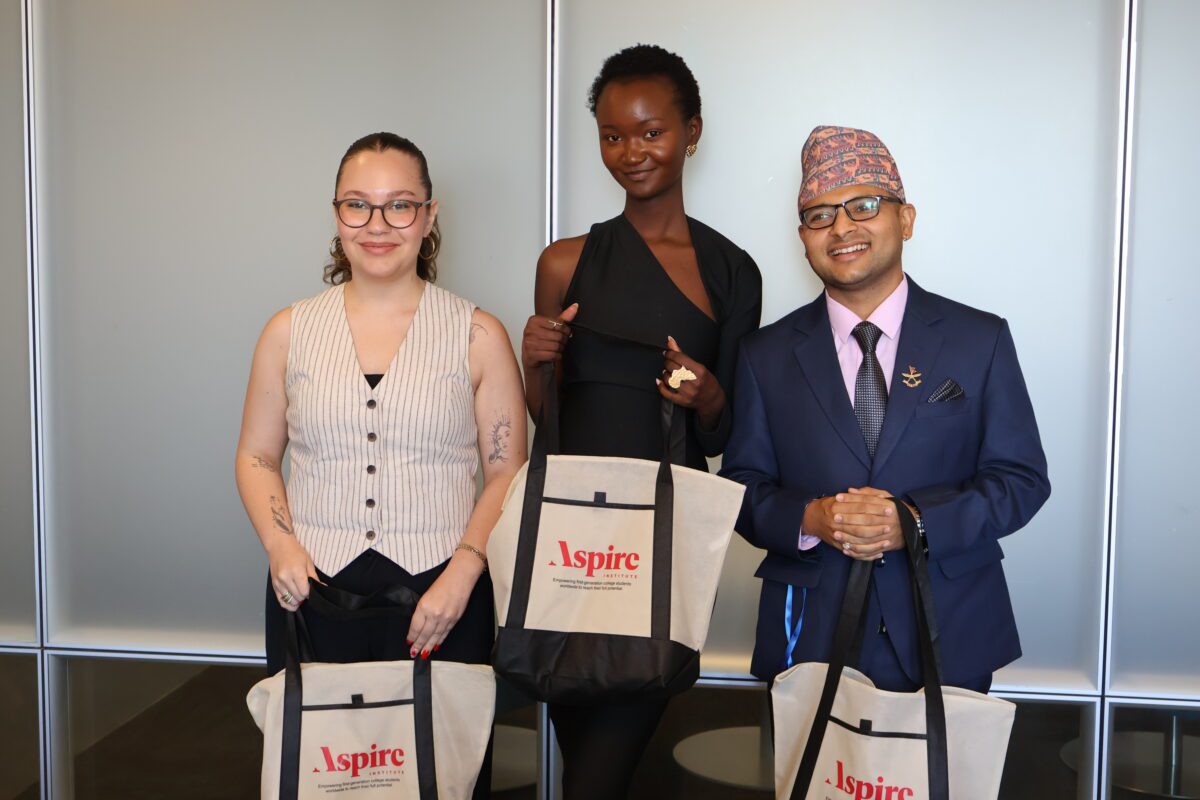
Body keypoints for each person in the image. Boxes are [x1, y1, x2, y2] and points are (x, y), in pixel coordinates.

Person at [235, 132, 525, 798]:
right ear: (336, 215)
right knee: (323, 777)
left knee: (441, 778)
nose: (378, 225)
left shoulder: (479, 334)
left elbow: (508, 469)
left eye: (399, 206)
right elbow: (255, 454)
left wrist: (465, 572)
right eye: (357, 206)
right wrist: (280, 545)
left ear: (429, 215)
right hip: (312, 594)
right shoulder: (288, 331)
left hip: (443, 594)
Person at [720, 125, 1050, 694]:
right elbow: (741, 489)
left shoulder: (980, 339)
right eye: (820, 215)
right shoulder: (764, 354)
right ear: (803, 236)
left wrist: (913, 523)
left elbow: (1020, 481)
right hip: (810, 635)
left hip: (950, 628)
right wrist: (811, 518)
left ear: (906, 218)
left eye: (864, 205)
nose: (842, 227)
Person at [520, 45, 762, 798]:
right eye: (613, 135)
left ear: (692, 131)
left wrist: (709, 396)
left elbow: (732, 439)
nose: (632, 153)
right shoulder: (565, 262)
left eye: (651, 132)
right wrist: (535, 360)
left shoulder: (732, 271)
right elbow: (546, 423)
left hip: (660, 548)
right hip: (570, 547)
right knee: (588, 749)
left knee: (601, 773)